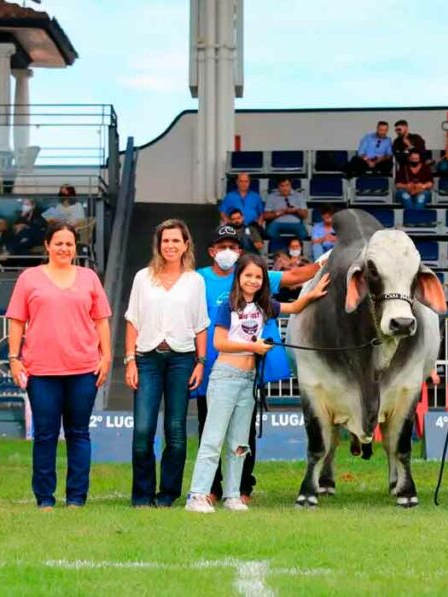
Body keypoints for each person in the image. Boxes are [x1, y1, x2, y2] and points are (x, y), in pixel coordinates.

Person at [186, 255, 331, 513]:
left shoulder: (265, 306)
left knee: (239, 442)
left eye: (258, 276)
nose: (253, 280)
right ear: (239, 277)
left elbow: (294, 308)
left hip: (248, 380)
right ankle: (197, 495)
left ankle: (232, 495)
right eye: (248, 275)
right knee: (213, 438)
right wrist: (252, 347)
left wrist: (313, 293)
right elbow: (219, 343)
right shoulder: (227, 306)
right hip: (225, 376)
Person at [5, 222, 112, 510]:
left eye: (69, 244)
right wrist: (14, 359)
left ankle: (77, 497)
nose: (64, 248)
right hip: (41, 371)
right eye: (59, 243)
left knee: (79, 433)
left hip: (83, 369)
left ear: (75, 247)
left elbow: (101, 320)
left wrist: (107, 356)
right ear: (47, 245)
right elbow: (16, 320)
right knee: (45, 435)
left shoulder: (89, 278)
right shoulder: (29, 278)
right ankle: (45, 498)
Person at [124, 219, 209, 508]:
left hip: (182, 360)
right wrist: (130, 361)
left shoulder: (195, 281)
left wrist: (200, 362)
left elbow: (201, 325)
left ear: (186, 245)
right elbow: (132, 320)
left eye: (176, 240)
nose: (170, 246)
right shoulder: (142, 278)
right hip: (146, 359)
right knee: (143, 430)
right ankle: (142, 495)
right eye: (165, 241)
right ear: (158, 245)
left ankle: (168, 493)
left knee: (175, 430)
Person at [264, 177, 309, 245]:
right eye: (282, 186)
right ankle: (279, 247)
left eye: (287, 185)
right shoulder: (271, 197)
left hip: (295, 223)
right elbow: (266, 216)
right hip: (277, 223)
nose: (285, 188)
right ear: (278, 187)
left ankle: (296, 248)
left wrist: (296, 211)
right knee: (270, 231)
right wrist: (280, 213)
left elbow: (305, 215)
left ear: (290, 185)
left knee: (303, 233)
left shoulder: (299, 196)